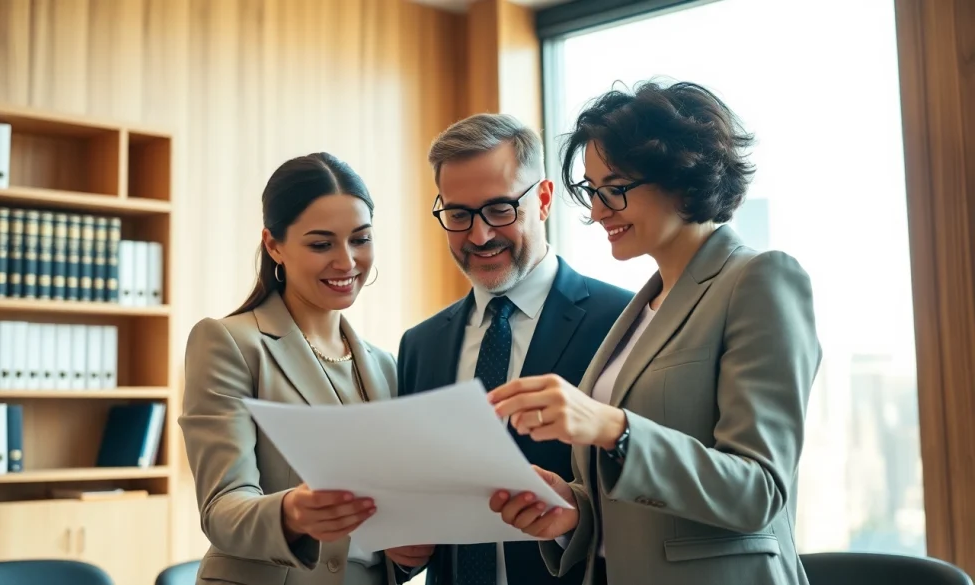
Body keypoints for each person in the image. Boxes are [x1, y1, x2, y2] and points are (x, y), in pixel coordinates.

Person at [486, 81, 822, 585]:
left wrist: (612, 428)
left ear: (681, 177)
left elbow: (759, 490)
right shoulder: (640, 309)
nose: (598, 211)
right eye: (591, 191)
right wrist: (575, 512)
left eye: (615, 188)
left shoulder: (758, 279)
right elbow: (647, 496)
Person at [389, 113, 634, 585]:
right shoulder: (420, 345)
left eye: (500, 209)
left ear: (542, 200)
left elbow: (647, 499)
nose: (479, 236)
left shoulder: (623, 322)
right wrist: (405, 553)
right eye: (458, 215)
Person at [179, 153, 402, 585]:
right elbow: (221, 508)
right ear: (274, 244)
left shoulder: (387, 367)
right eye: (321, 244)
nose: (346, 261)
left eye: (360, 239)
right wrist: (291, 513)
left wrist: (410, 551)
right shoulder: (229, 343)